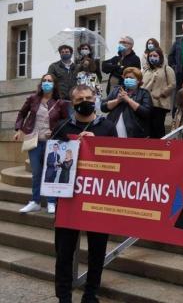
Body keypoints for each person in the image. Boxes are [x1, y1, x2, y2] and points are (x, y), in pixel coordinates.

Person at [53, 84, 117, 303]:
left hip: (97, 198)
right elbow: (50, 164)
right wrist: (71, 147)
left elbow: (118, 162)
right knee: (64, 252)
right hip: (68, 199)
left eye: (88, 98)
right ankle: (63, 297)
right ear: (72, 103)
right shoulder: (62, 127)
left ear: (95, 98)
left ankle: (90, 294)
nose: (85, 102)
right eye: (79, 100)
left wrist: (95, 144)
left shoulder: (107, 127)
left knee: (97, 251)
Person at [13, 74, 68, 214]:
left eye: (49, 81)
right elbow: (22, 113)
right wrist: (19, 129)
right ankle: (35, 201)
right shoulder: (33, 99)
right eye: (44, 80)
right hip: (34, 141)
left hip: (51, 143)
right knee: (36, 173)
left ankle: (51, 201)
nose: (46, 83)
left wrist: (55, 130)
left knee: (50, 172)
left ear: (54, 84)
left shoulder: (59, 102)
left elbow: (66, 121)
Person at [102, 67, 152, 138]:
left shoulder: (144, 93)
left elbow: (145, 112)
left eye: (131, 78)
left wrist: (128, 100)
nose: (128, 79)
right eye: (126, 77)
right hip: (113, 132)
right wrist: (118, 100)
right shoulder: (116, 90)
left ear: (138, 80)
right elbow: (103, 107)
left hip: (134, 134)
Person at [142, 47, 176, 138]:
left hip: (160, 103)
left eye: (155, 55)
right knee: (148, 128)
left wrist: (161, 93)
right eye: (150, 56)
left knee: (158, 127)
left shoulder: (167, 69)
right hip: (147, 104)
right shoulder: (147, 71)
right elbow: (142, 85)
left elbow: (172, 84)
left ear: (160, 57)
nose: (152, 57)